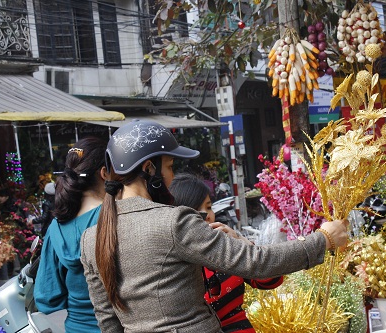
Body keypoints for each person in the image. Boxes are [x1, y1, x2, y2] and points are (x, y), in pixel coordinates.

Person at [80, 119, 348, 333]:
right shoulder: (173, 221)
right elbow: (255, 262)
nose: (172, 176)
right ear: (149, 169)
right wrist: (323, 239)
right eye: (170, 166)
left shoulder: (91, 238)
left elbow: (108, 320)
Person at [169, 173, 284, 333]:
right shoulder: (171, 261)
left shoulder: (224, 248)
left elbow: (271, 280)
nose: (207, 215)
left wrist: (241, 242)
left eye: (209, 207)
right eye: (197, 209)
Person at [34, 136, 108, 333]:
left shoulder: (56, 227)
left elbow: (46, 297)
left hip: (75, 328)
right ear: (105, 173)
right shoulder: (113, 217)